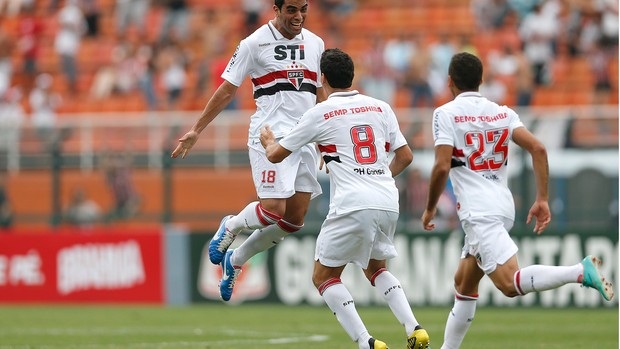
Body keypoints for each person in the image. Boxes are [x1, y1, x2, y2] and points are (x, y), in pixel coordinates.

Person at [421, 52, 614, 349]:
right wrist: (543, 199)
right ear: (481, 80)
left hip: (478, 211)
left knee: (509, 285)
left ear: (449, 81)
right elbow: (538, 148)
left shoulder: (445, 114)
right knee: (464, 282)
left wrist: (431, 206)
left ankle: (578, 271)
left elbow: (442, 165)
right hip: (501, 204)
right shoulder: (503, 112)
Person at [260, 48, 430, 349]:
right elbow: (405, 156)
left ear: (322, 78)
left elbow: (276, 156)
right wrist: (378, 177)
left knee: (323, 275)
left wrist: (268, 140)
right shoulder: (380, 107)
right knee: (376, 268)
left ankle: (366, 342)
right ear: (353, 76)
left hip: (352, 201)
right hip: (387, 199)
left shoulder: (320, 112)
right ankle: (414, 328)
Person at [171, 0, 326, 302]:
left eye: (303, 9)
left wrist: (324, 140)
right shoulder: (254, 43)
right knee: (272, 209)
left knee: (294, 220)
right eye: (292, 9)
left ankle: (236, 259)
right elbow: (228, 88)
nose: (299, 16)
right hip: (269, 135)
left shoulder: (316, 43)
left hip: (304, 139)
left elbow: (319, 92)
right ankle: (230, 225)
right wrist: (197, 129)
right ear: (276, 9)